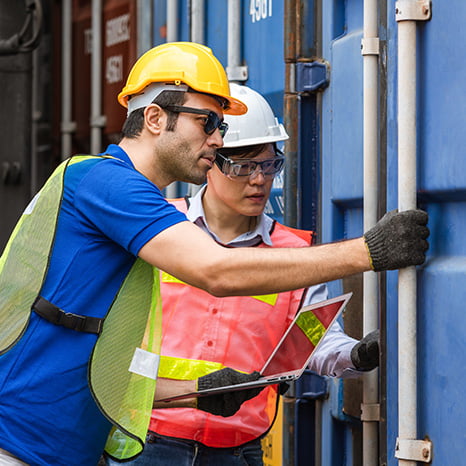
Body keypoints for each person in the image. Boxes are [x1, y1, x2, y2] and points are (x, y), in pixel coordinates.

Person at [0, 42, 428, 466]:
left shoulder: (120, 200)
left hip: (51, 447)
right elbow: (216, 270)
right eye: (207, 122)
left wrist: (195, 393)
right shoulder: (107, 183)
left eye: (220, 125)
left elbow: (97, 359)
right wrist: (368, 251)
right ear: (154, 117)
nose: (218, 138)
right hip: (19, 444)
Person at [103, 83, 380, 466]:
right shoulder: (155, 229)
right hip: (145, 442)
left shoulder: (295, 255)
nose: (259, 179)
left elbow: (313, 343)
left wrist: (356, 354)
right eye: (244, 166)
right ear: (209, 162)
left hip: (237, 450)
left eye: (269, 165)